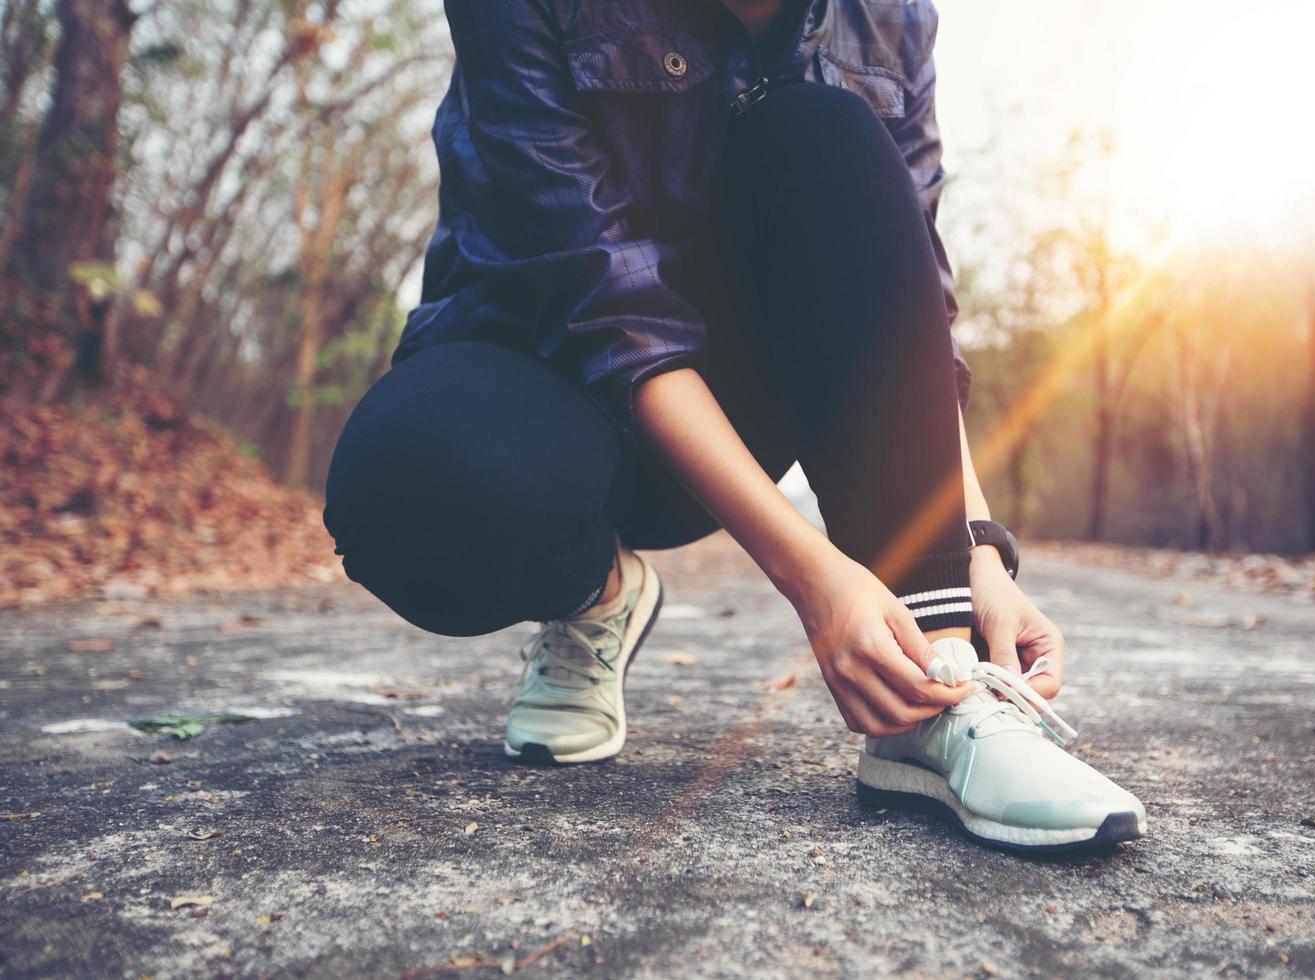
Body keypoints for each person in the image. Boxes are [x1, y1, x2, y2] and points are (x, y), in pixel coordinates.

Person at [322, 0, 1146, 851]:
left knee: (823, 135)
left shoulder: (894, 18)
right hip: (535, 368)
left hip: (737, 394)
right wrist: (816, 581)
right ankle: (593, 594)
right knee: (405, 487)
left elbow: (908, 310)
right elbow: (606, 308)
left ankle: (932, 701)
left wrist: (970, 553)